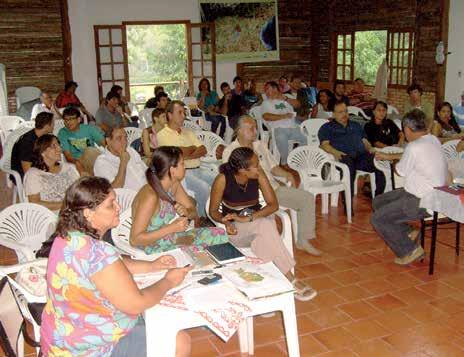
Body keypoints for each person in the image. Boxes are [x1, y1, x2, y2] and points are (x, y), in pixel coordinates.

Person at [40, 176, 191, 357]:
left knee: (157, 315)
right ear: (88, 213)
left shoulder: (66, 238)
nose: (118, 208)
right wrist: (169, 280)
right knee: (179, 340)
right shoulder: (98, 253)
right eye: (111, 205)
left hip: (62, 335)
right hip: (87, 349)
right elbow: (136, 303)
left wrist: (151, 266)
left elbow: (110, 267)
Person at [209, 147, 316, 301]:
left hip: (257, 222)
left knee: (264, 231)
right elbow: (213, 211)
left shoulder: (259, 175)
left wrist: (250, 218)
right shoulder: (223, 179)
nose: (259, 168)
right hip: (236, 231)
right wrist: (224, 222)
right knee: (266, 226)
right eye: (255, 165)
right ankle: (290, 279)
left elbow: (273, 205)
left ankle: (267, 287)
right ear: (242, 169)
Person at [223, 116, 320, 256]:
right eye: (251, 128)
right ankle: (270, 247)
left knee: (306, 198)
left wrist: (287, 175)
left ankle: (303, 240)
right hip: (252, 195)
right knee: (268, 218)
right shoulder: (231, 152)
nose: (255, 131)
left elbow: (274, 167)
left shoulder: (260, 145)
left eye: (255, 127)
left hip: (273, 188)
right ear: (239, 131)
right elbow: (233, 179)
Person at [371, 109, 448, 265]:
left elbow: (399, 171)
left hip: (425, 201)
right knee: (378, 202)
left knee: (377, 219)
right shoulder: (432, 139)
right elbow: (412, 156)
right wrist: (392, 156)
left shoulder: (413, 147)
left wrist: (390, 159)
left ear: (406, 129)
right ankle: (409, 232)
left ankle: (410, 250)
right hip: (423, 193)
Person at [130, 146, 228, 254]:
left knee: (219, 233)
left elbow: (192, 210)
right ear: (172, 170)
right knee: (200, 251)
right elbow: (135, 239)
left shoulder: (173, 185)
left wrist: (186, 213)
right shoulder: (150, 196)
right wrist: (172, 228)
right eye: (182, 164)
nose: (184, 167)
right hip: (151, 245)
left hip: (170, 237)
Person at [157, 100, 217, 216]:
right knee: (203, 188)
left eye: (184, 113)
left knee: (218, 179)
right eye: (179, 113)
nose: (184, 116)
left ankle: (216, 211)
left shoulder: (188, 132)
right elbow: (175, 155)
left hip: (199, 168)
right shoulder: (162, 134)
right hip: (182, 174)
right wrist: (193, 148)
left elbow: (203, 149)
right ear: (170, 115)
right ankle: (202, 217)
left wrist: (186, 154)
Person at [318, 100, 386, 197]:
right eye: (340, 112)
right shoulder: (327, 127)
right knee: (349, 166)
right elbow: (324, 145)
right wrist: (335, 152)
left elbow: (365, 141)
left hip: (360, 157)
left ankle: (378, 198)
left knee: (380, 163)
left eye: (345, 111)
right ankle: (347, 202)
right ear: (333, 114)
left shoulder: (356, 125)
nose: (344, 114)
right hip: (342, 157)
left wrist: (370, 148)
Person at [24, 134, 79, 212]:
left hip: (74, 211)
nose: (59, 149)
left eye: (59, 145)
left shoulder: (69, 168)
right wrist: (65, 204)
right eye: (54, 146)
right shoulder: (33, 174)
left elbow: (80, 190)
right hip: (50, 216)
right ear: (42, 152)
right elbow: (35, 203)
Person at [261, 81, 307, 166]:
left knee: (307, 136)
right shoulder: (266, 103)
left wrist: (285, 98)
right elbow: (266, 116)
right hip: (278, 128)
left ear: (275, 88)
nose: (265, 92)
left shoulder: (287, 97)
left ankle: (296, 158)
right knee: (281, 137)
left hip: (293, 127)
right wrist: (283, 116)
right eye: (265, 90)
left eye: (267, 89)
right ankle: (284, 162)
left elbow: (298, 105)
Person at [94, 127, 147, 191]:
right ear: (108, 140)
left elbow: (145, 169)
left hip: (148, 189)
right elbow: (113, 190)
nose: (124, 142)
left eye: (125, 137)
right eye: (119, 138)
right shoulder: (102, 162)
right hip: (132, 198)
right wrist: (123, 162)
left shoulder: (130, 150)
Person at [58, 107, 105, 175]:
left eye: (71, 119)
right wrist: (77, 163)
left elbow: (103, 143)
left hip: (93, 159)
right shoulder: (63, 133)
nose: (68, 122)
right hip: (77, 162)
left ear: (79, 119)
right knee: (90, 151)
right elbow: (68, 156)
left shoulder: (89, 128)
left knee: (93, 152)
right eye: (65, 120)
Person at [11, 111, 54, 178]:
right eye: (53, 123)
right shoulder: (26, 143)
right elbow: (27, 171)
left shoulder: (41, 136)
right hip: (23, 175)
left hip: (38, 169)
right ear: (47, 125)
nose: (54, 125)